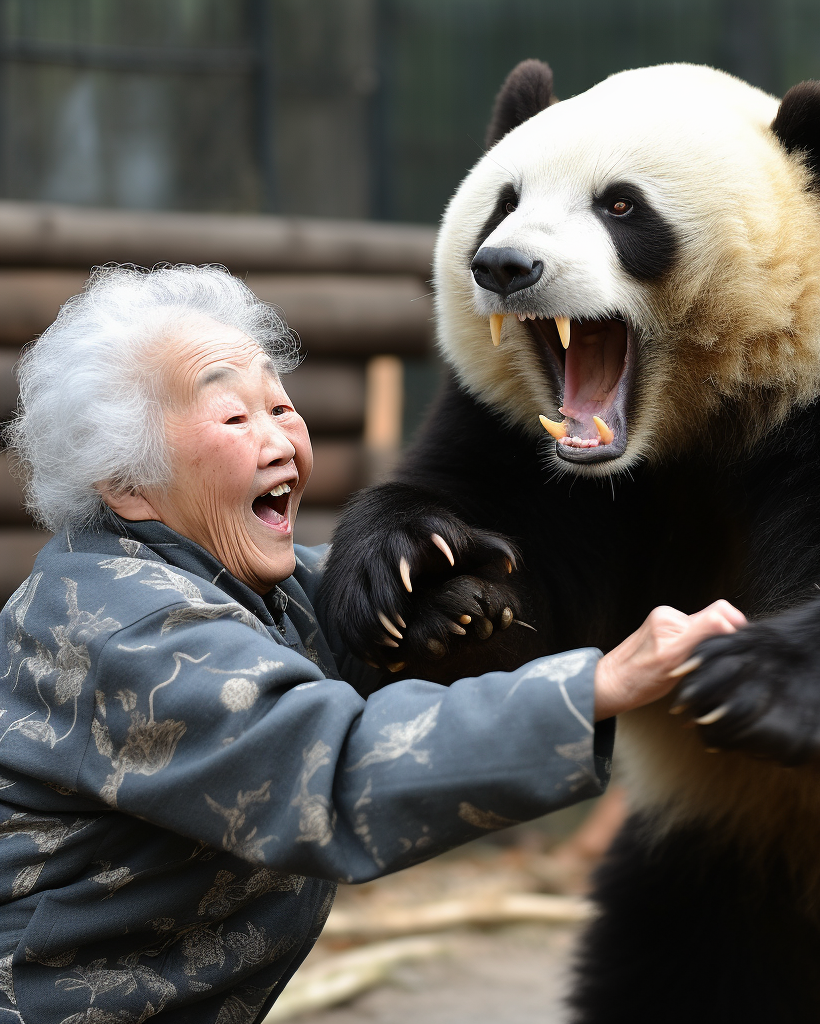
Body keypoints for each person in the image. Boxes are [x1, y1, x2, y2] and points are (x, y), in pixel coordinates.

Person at [0, 265, 744, 1023]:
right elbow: (334, 769)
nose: (281, 437)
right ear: (127, 480)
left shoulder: (254, 590)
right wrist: (595, 687)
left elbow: (381, 640)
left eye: (281, 405)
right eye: (235, 419)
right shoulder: (127, 632)